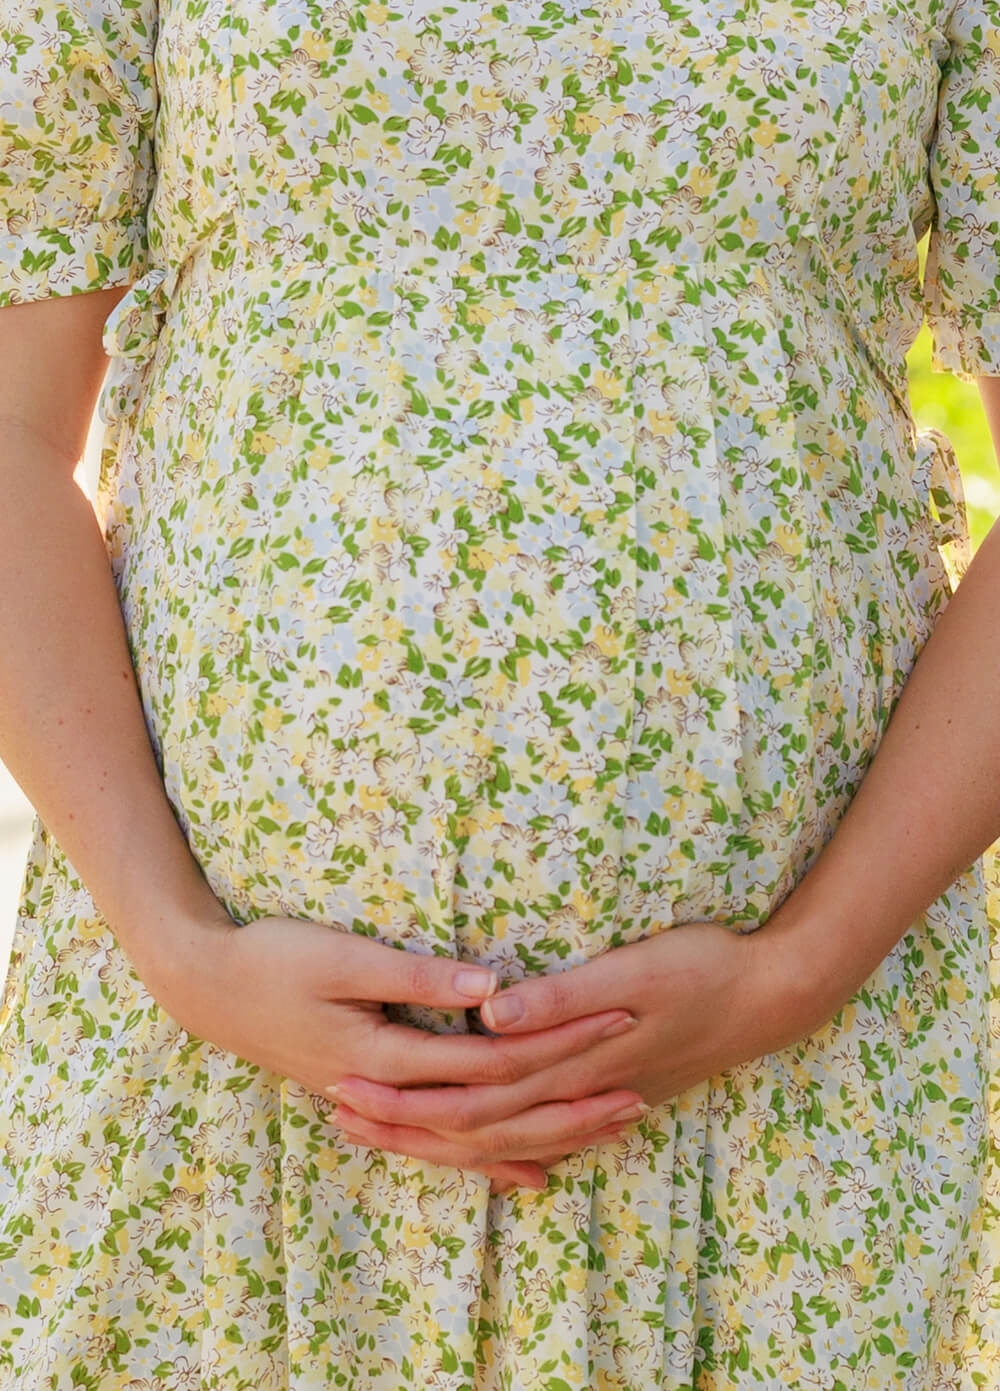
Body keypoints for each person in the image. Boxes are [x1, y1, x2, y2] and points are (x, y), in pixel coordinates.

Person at [1, 0, 999, 1384]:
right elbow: (8, 426)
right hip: (220, 1086)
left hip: (784, 1106)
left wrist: (802, 969)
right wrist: (179, 947)